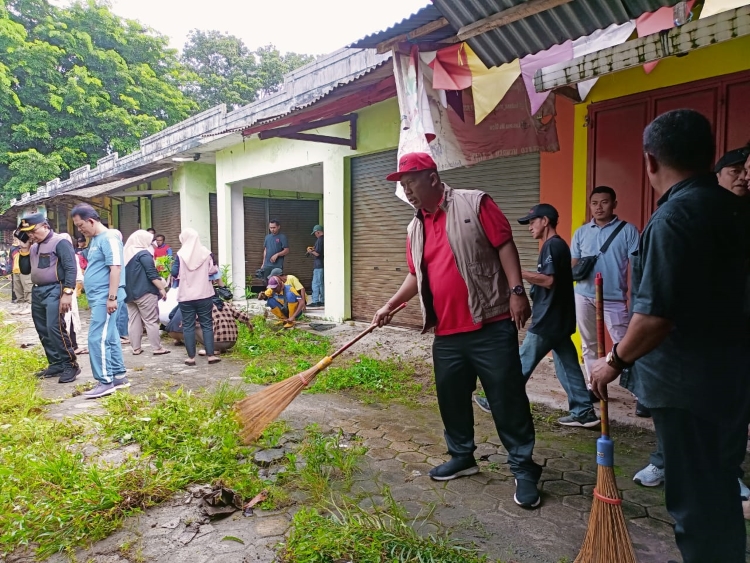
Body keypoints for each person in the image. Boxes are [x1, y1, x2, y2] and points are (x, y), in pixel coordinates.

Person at [589, 109, 750, 563]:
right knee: (719, 489)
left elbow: (657, 317)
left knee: (695, 505)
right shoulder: (730, 208)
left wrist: (613, 362)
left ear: (651, 162)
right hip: (728, 379)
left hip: (687, 388)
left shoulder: (674, 217)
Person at [373, 152, 542, 508]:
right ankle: (462, 456)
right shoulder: (414, 227)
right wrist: (390, 305)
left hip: (490, 323)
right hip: (446, 332)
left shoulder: (474, 202)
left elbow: (504, 246)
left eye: (411, 181)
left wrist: (516, 292)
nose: (407, 190)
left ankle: (523, 467)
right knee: (451, 398)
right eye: (402, 185)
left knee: (506, 398)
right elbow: (415, 275)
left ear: (432, 178)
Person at [473, 204, 598, 428]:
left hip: (548, 319)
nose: (530, 227)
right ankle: (583, 411)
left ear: (545, 221)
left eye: (532, 222)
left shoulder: (552, 246)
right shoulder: (556, 246)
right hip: (558, 319)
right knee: (567, 365)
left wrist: (515, 272)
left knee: (520, 362)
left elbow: (549, 280)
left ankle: (497, 401)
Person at [570, 186, 640, 408]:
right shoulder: (581, 232)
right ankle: (594, 387)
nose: (598, 207)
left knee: (627, 345)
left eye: (604, 202)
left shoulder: (628, 230)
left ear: (614, 204)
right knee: (588, 344)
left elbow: (636, 266)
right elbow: (573, 264)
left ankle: (642, 395)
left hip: (613, 298)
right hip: (583, 294)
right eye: (594, 203)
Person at [71, 205, 129, 399]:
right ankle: (118, 376)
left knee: (96, 337)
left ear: (91, 221)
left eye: (80, 225)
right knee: (110, 336)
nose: (80, 230)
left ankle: (105, 381)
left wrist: (111, 298)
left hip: (106, 297)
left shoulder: (109, 238)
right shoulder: (96, 240)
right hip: (99, 296)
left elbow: (115, 269)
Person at [17, 213, 80, 383]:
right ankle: (56, 363)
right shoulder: (34, 246)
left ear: (45, 226)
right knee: (43, 329)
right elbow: (24, 270)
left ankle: (70, 364)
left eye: (33, 231)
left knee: (55, 328)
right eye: (27, 232)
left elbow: (70, 268)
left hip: (55, 288)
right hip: (38, 291)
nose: (31, 235)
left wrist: (67, 292)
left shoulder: (60, 242)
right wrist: (24, 249)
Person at [170, 228, 220, 366]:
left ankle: (191, 358)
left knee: (188, 326)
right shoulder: (207, 253)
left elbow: (174, 272)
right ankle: (210, 356)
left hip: (186, 296)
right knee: (207, 324)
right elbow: (213, 271)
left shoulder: (181, 255)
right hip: (204, 294)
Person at [123, 230, 170, 356]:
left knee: (133, 321)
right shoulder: (143, 254)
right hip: (144, 292)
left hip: (129, 294)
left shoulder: (126, 253)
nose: (152, 243)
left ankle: (136, 348)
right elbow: (152, 274)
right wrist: (161, 288)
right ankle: (157, 348)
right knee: (151, 320)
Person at [58, 233, 87, 355]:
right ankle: (72, 346)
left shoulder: (56, 254)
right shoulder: (72, 255)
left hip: (64, 290)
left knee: (67, 317)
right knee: (68, 317)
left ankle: (70, 346)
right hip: (68, 290)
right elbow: (78, 276)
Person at [10, 236, 32, 313]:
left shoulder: (28, 245)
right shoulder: (13, 248)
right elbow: (11, 260)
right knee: (17, 289)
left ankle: (29, 305)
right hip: (15, 270)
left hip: (25, 270)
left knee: (28, 288)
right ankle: (20, 305)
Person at [308, 225, 324, 307]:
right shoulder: (324, 239)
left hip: (318, 265)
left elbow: (317, 254)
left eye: (315, 233)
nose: (315, 235)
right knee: (321, 283)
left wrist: (310, 251)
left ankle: (315, 301)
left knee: (315, 283)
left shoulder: (320, 240)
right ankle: (322, 300)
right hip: (322, 264)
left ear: (317, 232)